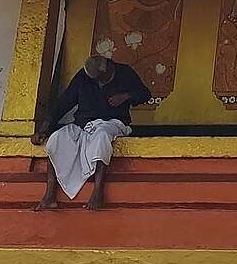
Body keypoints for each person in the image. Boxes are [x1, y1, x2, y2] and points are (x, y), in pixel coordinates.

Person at [32, 50, 152, 210]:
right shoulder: (83, 77)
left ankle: (97, 193)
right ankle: (49, 196)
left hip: (113, 122)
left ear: (108, 67)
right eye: (95, 80)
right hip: (83, 124)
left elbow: (145, 94)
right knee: (56, 139)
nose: (99, 84)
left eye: (101, 79)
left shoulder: (125, 72)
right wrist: (44, 130)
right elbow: (64, 103)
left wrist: (126, 96)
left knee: (102, 137)